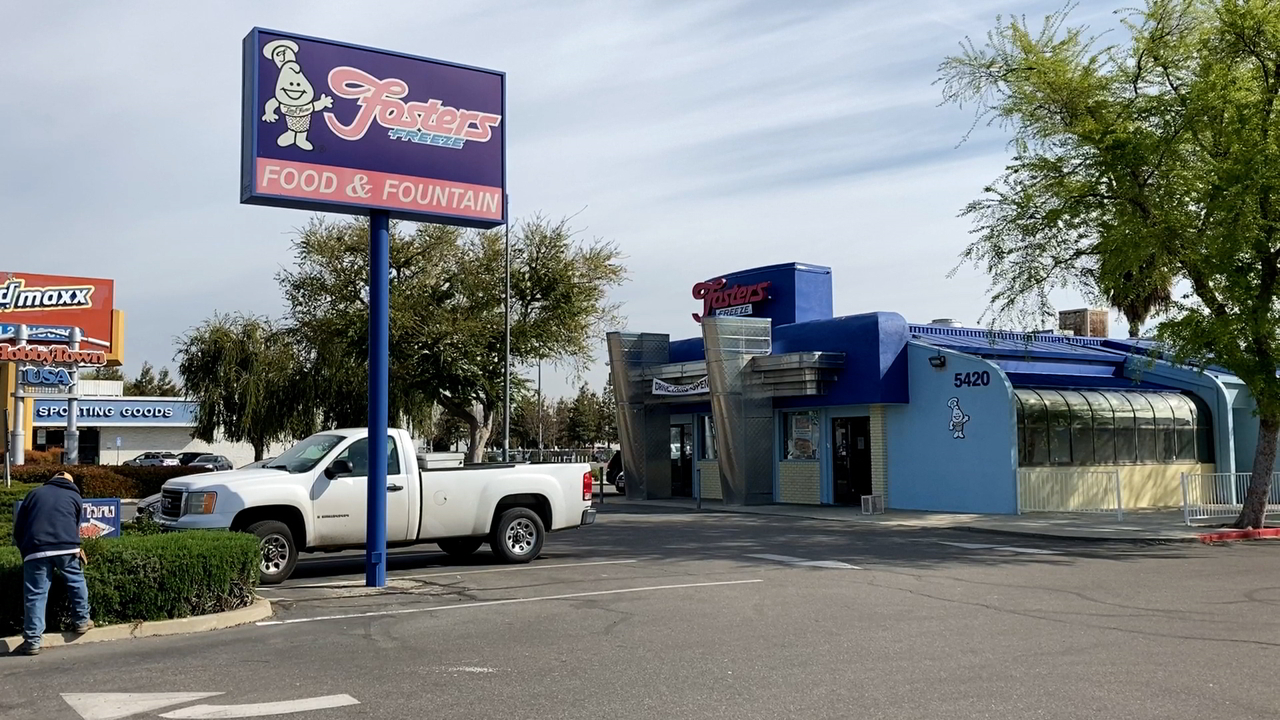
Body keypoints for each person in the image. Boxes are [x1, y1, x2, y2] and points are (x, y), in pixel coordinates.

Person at [12, 471, 93, 656]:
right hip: (67, 548)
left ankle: (32, 641)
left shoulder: (34, 493)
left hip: (36, 550)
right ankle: (82, 621)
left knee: (35, 595)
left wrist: (26, 551)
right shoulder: (75, 496)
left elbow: (19, 527)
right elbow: (75, 525)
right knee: (76, 582)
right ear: (70, 483)